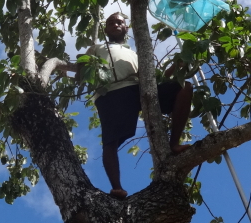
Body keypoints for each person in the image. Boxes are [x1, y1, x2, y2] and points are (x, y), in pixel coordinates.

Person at [58, 13, 193, 200]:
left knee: (185, 87)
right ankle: (117, 187)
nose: (115, 25)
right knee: (110, 142)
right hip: (111, 92)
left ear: (126, 28)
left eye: (119, 22)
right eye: (111, 23)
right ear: (106, 29)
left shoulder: (135, 54)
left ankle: (174, 143)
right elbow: (82, 75)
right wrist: (68, 70)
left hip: (137, 89)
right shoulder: (96, 48)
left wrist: (177, 66)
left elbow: (155, 79)